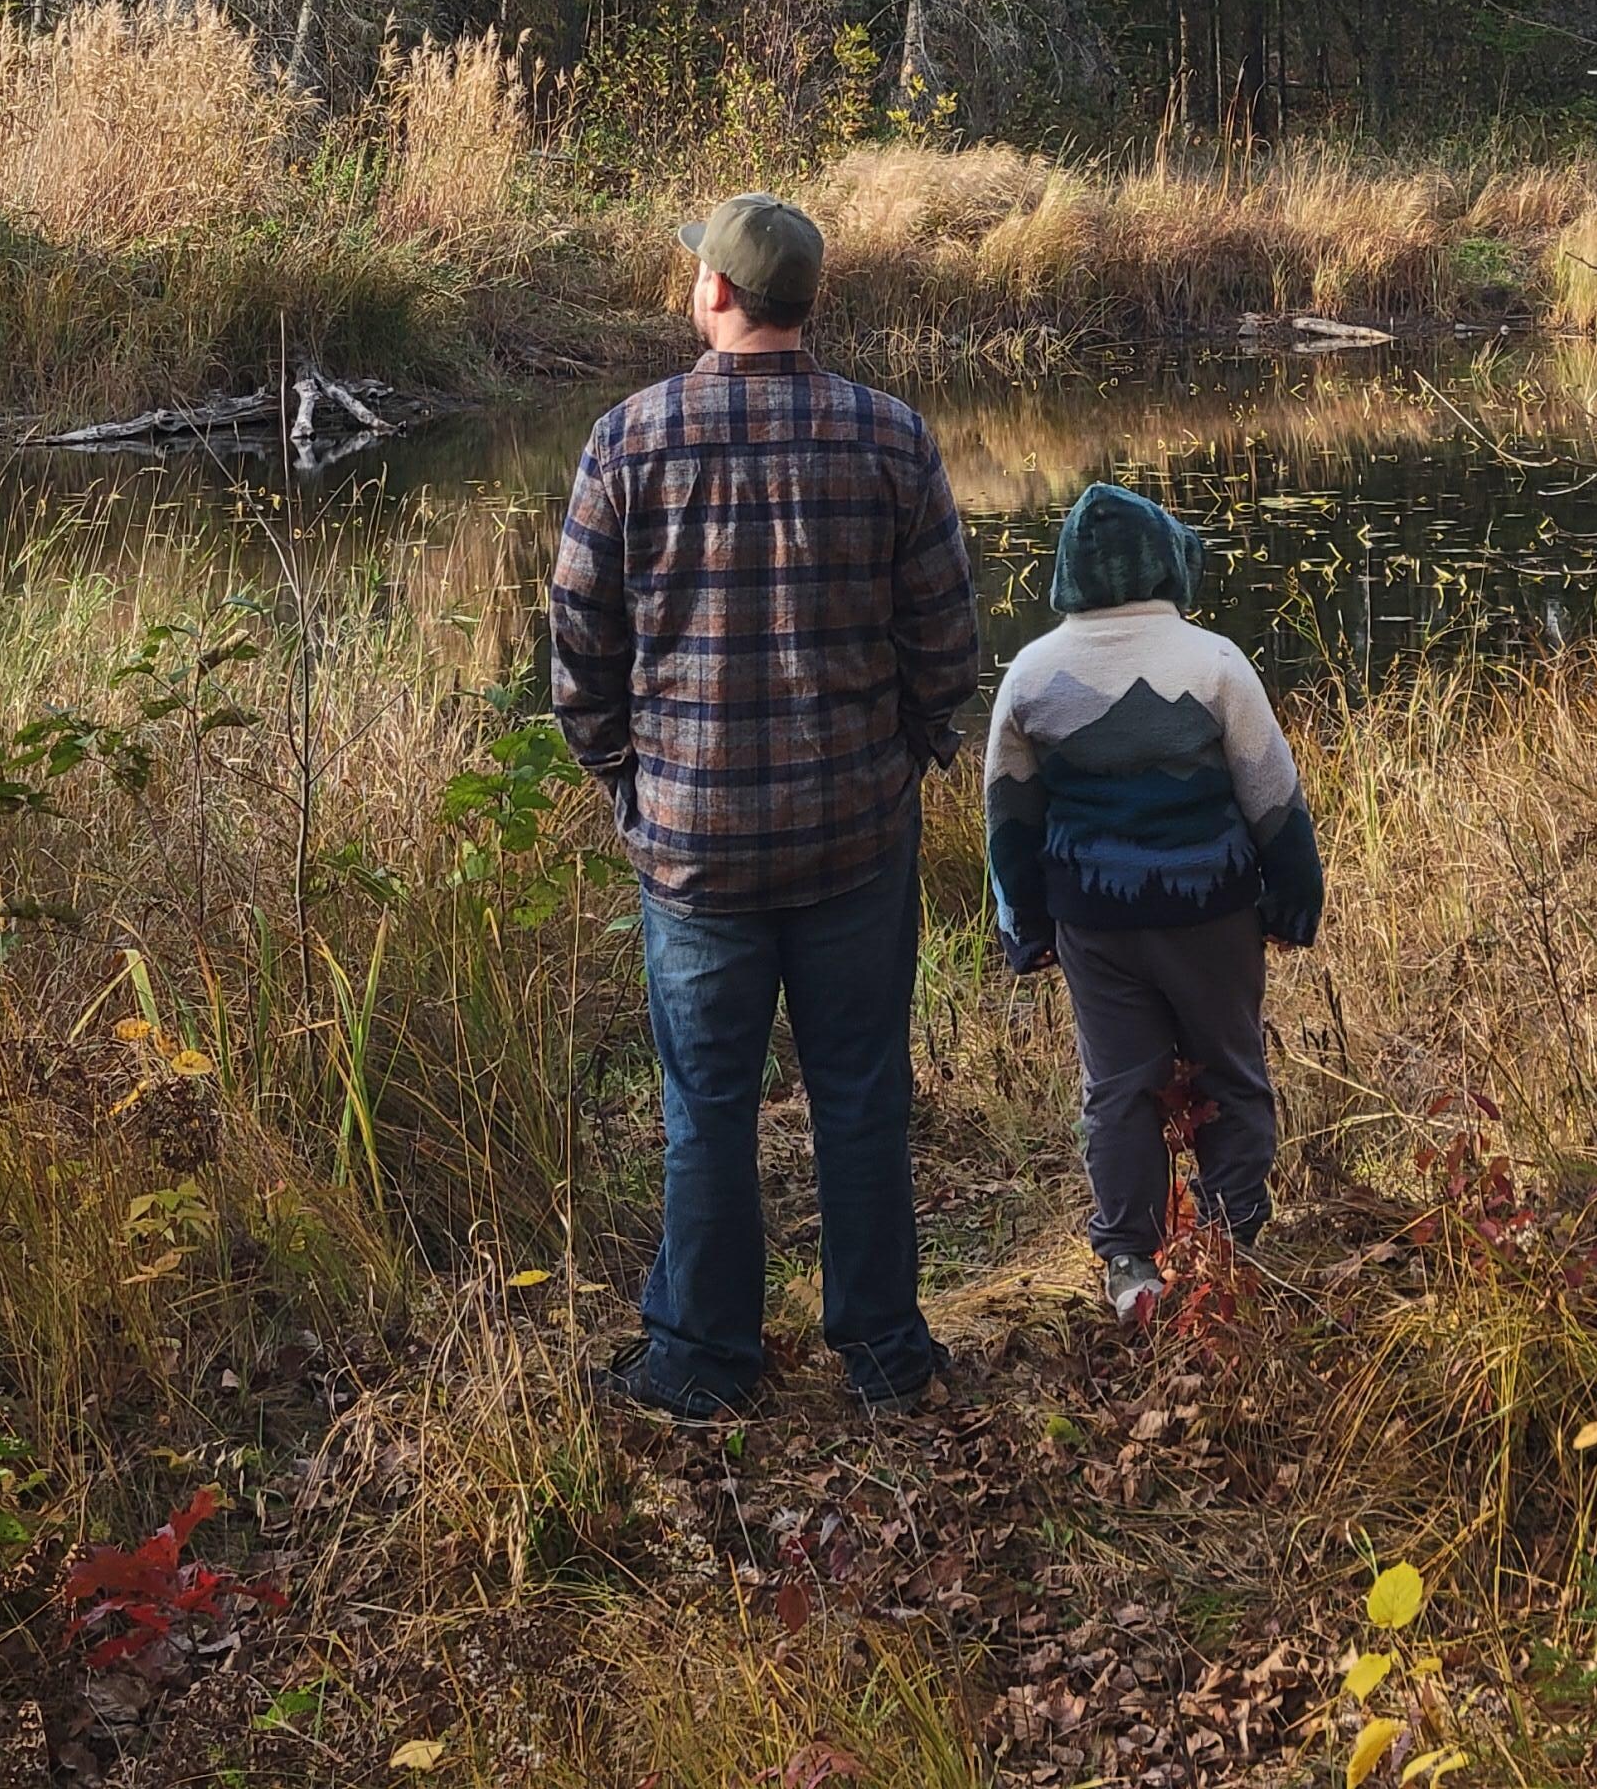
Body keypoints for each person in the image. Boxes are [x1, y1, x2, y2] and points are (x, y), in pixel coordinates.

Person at [550, 188, 979, 1418]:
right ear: (813, 300)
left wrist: (627, 781)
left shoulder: (630, 439)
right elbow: (947, 643)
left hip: (693, 847)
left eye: (700, 273)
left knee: (707, 1109)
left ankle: (703, 1359)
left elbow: (578, 649)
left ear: (719, 296)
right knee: (861, 1096)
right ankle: (888, 1356)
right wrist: (904, 756)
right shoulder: (890, 438)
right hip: (853, 837)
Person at [983, 482, 1325, 1321]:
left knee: (1119, 1087)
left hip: (1093, 922)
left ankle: (1129, 1265)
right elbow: (1274, 800)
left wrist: (1023, 928)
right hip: (1210, 912)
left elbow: (1009, 821)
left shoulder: (1030, 675)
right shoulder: (1212, 663)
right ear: (1165, 562)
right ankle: (1234, 1240)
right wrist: (1293, 904)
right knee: (1231, 1070)